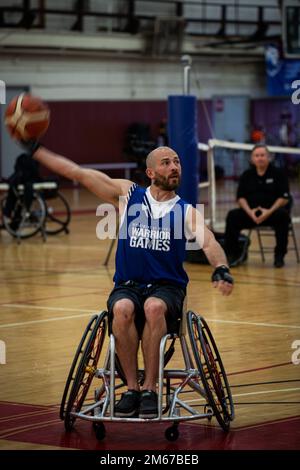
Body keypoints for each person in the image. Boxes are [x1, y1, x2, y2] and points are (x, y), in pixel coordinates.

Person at [21, 140, 234, 419]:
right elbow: (76, 172)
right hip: (128, 285)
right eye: (166, 163)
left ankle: (151, 389)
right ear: (150, 172)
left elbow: (208, 242)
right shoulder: (128, 194)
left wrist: (221, 267)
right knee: (122, 309)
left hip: (167, 288)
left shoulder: (186, 210)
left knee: (154, 307)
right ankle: (132, 389)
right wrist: (36, 149)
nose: (174, 167)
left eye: (177, 162)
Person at [224, 144, 291, 268]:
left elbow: (284, 198)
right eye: (257, 155)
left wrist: (268, 211)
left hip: (272, 213)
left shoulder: (278, 174)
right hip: (251, 214)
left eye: (262, 155)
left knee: (283, 217)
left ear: (269, 157)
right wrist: (250, 212)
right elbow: (240, 198)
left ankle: (279, 255)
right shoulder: (246, 175)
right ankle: (232, 254)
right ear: (252, 159)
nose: (260, 158)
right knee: (232, 216)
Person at [2, 152, 41, 230]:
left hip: (23, 183)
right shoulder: (27, 159)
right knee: (17, 195)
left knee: (16, 195)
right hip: (24, 183)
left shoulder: (26, 160)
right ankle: (12, 216)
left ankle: (9, 214)